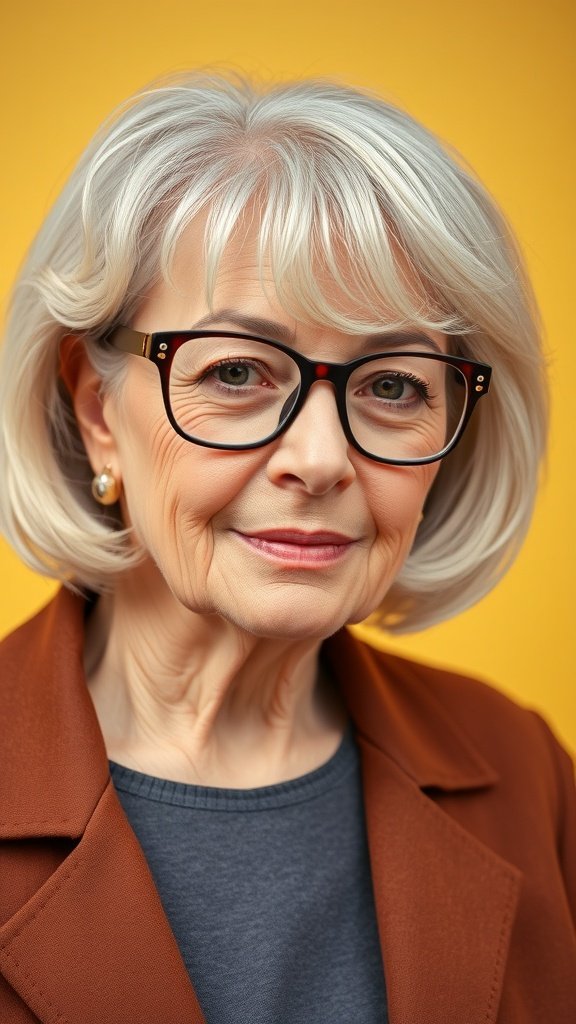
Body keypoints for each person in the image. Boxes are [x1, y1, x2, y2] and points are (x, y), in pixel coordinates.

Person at [0, 73, 574, 1024]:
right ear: (99, 411)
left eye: (393, 385)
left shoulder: (523, 771)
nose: (320, 458)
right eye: (235, 371)